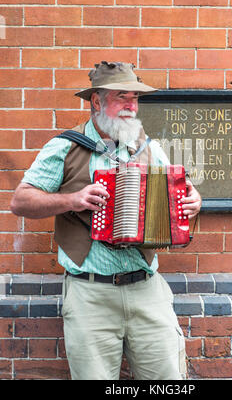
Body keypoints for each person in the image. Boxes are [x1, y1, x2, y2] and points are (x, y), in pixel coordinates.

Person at [10, 61, 202, 380]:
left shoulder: (149, 149)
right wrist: (72, 199)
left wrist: (195, 202)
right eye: (121, 97)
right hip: (90, 295)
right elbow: (21, 201)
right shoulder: (66, 147)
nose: (131, 105)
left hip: (147, 290)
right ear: (96, 102)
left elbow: (179, 194)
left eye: (135, 98)